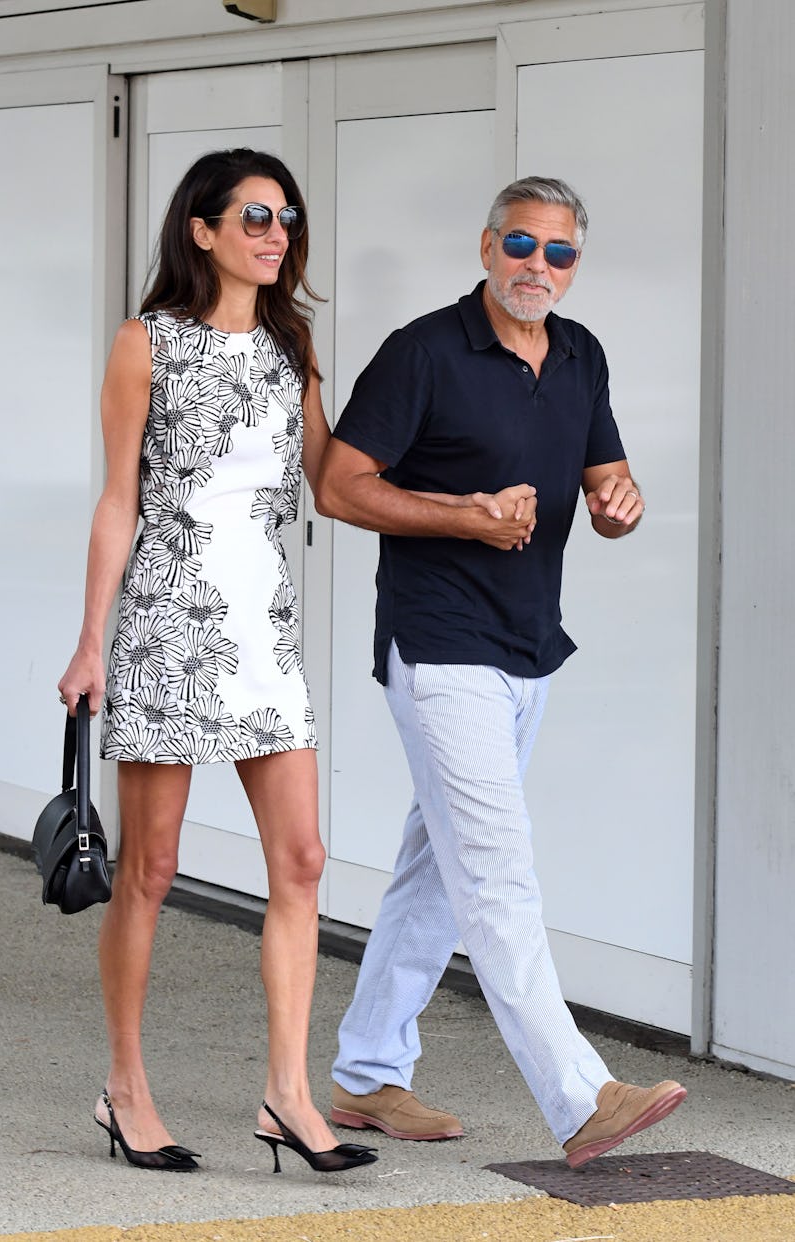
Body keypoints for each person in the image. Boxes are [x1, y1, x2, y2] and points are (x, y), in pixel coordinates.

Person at [315, 176, 686, 1168]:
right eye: (522, 245)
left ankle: (365, 1072)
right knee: (497, 872)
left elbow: (606, 475)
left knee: (435, 866)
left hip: (529, 645)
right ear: (487, 248)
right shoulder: (424, 353)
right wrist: (465, 513)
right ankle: (581, 1097)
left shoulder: (578, 355)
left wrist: (619, 502)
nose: (539, 267)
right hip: (439, 644)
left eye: (559, 252)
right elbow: (339, 484)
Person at [58, 148, 376, 1176]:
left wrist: (462, 485)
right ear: (200, 230)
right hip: (166, 626)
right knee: (148, 871)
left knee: (303, 862)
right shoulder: (145, 343)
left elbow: (332, 476)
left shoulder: (295, 347)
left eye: (286, 216)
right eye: (253, 216)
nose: (275, 232)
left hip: (265, 633)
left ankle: (287, 1094)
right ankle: (126, 1087)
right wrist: (88, 642)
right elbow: (119, 500)